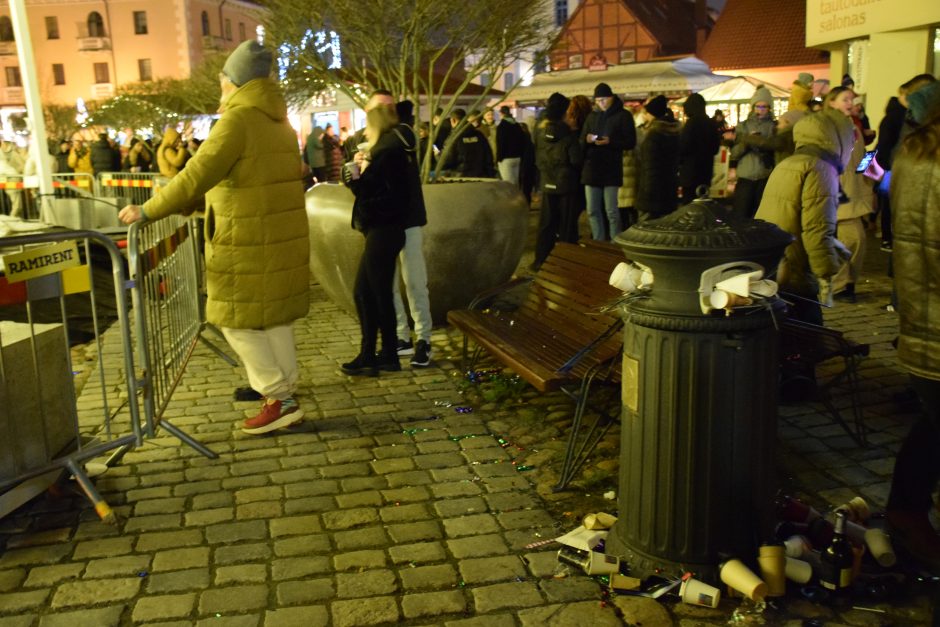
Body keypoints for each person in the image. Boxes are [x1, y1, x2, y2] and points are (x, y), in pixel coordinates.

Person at [118, 40, 309, 435]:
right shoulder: (278, 121)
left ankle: (278, 397)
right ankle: (284, 391)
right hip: (277, 236)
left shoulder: (238, 121)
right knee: (273, 318)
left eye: (223, 78)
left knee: (235, 321)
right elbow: (248, 180)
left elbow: (195, 173)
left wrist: (149, 209)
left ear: (233, 81)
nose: (220, 85)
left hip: (246, 240)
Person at [885, 80, 940, 573]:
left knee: (933, 425)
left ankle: (905, 510)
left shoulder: (912, 153)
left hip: (921, 317)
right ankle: (905, 512)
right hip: (933, 323)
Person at [754, 107, 855, 325]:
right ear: (838, 139)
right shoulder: (821, 169)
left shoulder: (790, 162)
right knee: (807, 328)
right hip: (794, 266)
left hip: (773, 258)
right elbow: (817, 229)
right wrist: (825, 271)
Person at [340, 90, 409, 376]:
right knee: (368, 293)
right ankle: (375, 352)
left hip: (384, 230)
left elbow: (383, 196)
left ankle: (383, 353)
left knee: (374, 293)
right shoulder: (383, 150)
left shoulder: (389, 151)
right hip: (381, 231)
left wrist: (357, 180)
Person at [390, 100, 433, 368]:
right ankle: (401, 336)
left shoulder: (402, 135)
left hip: (408, 220)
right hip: (384, 222)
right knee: (390, 283)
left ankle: (423, 340)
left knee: (415, 281)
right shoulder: (376, 139)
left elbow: (409, 140)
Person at [825, 86, 873, 304]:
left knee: (857, 241)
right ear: (832, 101)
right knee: (851, 239)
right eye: (845, 99)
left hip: (856, 189)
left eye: (851, 100)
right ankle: (840, 285)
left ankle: (847, 284)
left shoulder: (854, 126)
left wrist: (875, 175)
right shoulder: (826, 125)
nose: (849, 103)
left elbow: (863, 157)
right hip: (838, 190)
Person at [580, 82, 637, 240]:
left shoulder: (623, 115)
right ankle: (598, 241)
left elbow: (630, 142)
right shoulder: (592, 116)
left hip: (611, 168)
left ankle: (614, 243)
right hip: (592, 168)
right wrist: (588, 139)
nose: (601, 103)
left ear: (611, 98)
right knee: (592, 210)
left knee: (611, 210)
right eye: (597, 100)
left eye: (604, 99)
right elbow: (581, 140)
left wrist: (610, 141)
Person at [533, 92, 582, 269]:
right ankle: (565, 262)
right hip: (566, 183)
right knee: (566, 225)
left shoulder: (539, 131)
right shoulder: (568, 134)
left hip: (546, 181)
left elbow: (536, 155)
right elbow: (575, 159)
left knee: (546, 223)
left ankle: (540, 260)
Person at [731, 86, 776, 218]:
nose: (760, 110)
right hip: (745, 177)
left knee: (761, 215)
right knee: (741, 214)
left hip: (764, 176)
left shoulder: (774, 127)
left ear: (769, 108)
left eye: (764, 107)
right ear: (753, 107)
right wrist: (748, 141)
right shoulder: (743, 126)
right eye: (758, 106)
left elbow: (774, 149)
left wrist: (762, 143)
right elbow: (734, 153)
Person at [635, 95, 680, 222]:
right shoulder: (673, 133)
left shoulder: (654, 136)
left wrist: (647, 196)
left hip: (652, 195)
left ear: (653, 114)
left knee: (645, 233)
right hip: (669, 191)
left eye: (647, 113)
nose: (645, 116)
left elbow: (650, 168)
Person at [678, 93, 720, 203]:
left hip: (690, 173)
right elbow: (715, 149)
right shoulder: (711, 123)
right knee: (703, 203)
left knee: (690, 206)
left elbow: (683, 147)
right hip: (706, 171)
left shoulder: (691, 124)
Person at [442, 108, 495, 178]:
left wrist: (437, 155)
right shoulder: (479, 135)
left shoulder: (453, 137)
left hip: (460, 177)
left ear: (453, 120)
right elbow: (488, 155)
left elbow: (447, 161)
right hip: (481, 175)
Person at [495, 105, 526, 186]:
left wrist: (499, 158)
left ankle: (511, 199)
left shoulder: (502, 126)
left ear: (501, 113)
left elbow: (501, 143)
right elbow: (522, 141)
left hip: (506, 158)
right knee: (515, 183)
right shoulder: (516, 125)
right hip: (517, 157)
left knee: (508, 184)